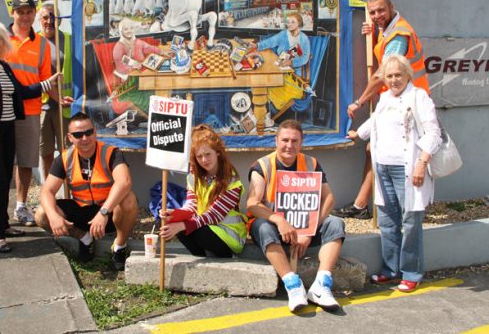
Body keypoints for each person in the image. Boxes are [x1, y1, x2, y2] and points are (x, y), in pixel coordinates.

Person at [346, 55, 441, 292]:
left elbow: (433, 133)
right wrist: (357, 133)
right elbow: (375, 121)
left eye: (398, 75)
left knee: (410, 222)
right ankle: (391, 270)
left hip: (408, 169)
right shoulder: (384, 98)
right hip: (383, 168)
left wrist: (421, 164)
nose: (394, 80)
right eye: (389, 76)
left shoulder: (418, 97)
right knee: (388, 222)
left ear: (408, 75)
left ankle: (411, 272)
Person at [0, 22, 59, 253]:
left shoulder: (4, 67)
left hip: (8, 129)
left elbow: (22, 92)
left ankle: (3, 225)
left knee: (4, 179)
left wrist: (49, 82)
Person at [336, 0, 430, 220]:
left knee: (402, 154)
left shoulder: (399, 34)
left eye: (380, 11)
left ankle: (409, 207)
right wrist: (374, 33)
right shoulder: (388, 29)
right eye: (372, 12)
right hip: (393, 101)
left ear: (391, 8)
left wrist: (360, 101)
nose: (377, 16)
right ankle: (362, 205)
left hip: (408, 105)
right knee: (373, 148)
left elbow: (381, 75)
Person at [247, 119, 345, 313]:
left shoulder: (311, 163)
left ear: (301, 143)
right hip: (276, 230)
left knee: (336, 223)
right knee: (261, 226)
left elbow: (329, 198)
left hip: (305, 229)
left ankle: (321, 285)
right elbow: (252, 204)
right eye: (285, 140)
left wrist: (310, 229)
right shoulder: (262, 166)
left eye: (294, 141)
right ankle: (293, 285)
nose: (289, 145)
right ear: (276, 141)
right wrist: (279, 220)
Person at [35, 112, 139, 269]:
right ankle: (85, 238)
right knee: (42, 213)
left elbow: (124, 182)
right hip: (81, 213)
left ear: (95, 132)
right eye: (78, 134)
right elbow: (47, 191)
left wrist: (103, 212)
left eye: (88, 132)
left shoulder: (112, 153)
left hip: (108, 215)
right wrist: (53, 216)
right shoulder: (63, 158)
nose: (84, 138)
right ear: (70, 138)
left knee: (129, 199)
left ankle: (119, 246)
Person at [159, 125, 247, 257]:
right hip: (206, 227)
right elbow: (191, 206)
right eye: (199, 156)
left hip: (230, 236)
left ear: (218, 152)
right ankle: (202, 260)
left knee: (192, 229)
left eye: (208, 154)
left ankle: (223, 258)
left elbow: (214, 215)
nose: (204, 160)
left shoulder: (231, 179)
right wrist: (174, 214)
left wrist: (183, 225)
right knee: (175, 225)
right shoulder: (194, 176)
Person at [7, 0, 53, 226]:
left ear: (34, 14)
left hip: (30, 111)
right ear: (12, 13)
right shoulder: (0, 38)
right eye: (20, 11)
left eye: (28, 12)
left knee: (25, 162)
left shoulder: (42, 44)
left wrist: (58, 98)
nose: (25, 16)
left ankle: (20, 206)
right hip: (1, 111)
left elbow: (46, 80)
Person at [38, 3, 74, 179]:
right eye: (45, 17)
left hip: (64, 107)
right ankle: (49, 193)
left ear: (59, 20)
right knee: (46, 154)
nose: (49, 21)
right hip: (42, 107)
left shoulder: (68, 39)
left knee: (67, 152)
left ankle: (69, 192)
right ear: (39, 20)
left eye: (53, 17)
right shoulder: (34, 41)